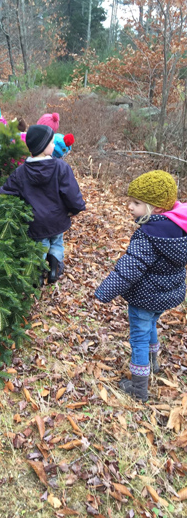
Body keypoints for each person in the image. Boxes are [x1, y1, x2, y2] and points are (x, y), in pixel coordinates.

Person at [95, 171, 187, 402]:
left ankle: (138, 389)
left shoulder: (149, 236)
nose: (129, 206)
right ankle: (154, 363)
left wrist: (104, 291)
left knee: (138, 337)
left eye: (136, 203)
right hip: (165, 296)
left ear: (155, 209)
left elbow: (129, 268)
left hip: (144, 297)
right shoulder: (179, 228)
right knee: (151, 325)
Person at [0, 124, 85, 283]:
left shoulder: (21, 172)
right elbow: (71, 192)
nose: (54, 145)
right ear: (44, 147)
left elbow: (6, 193)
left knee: (40, 245)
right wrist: (75, 209)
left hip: (35, 221)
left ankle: (36, 273)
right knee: (57, 243)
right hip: (58, 218)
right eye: (51, 142)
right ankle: (54, 269)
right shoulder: (61, 167)